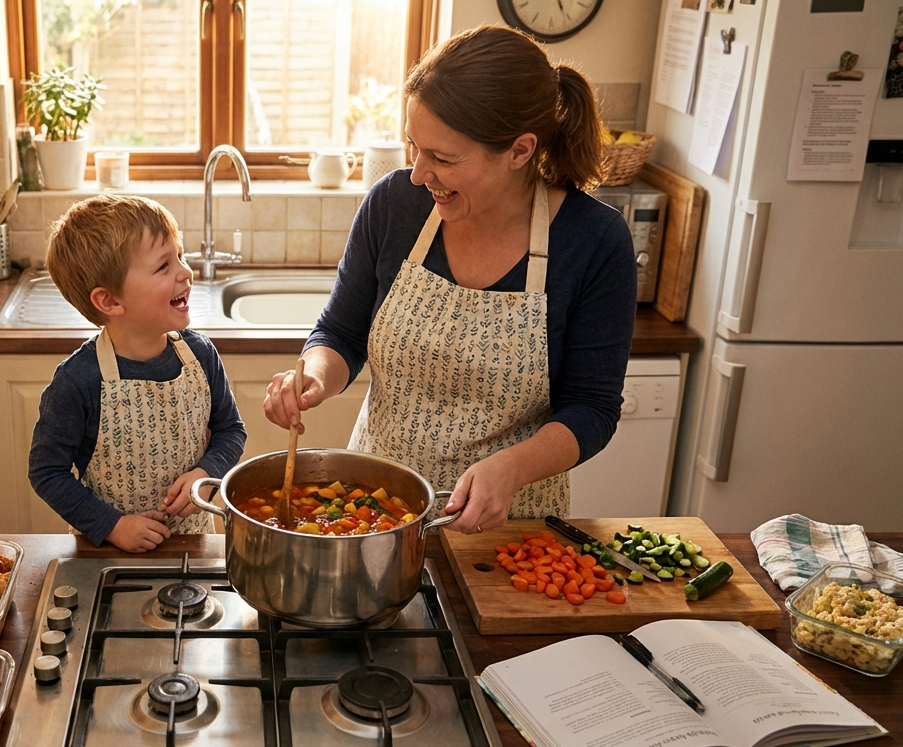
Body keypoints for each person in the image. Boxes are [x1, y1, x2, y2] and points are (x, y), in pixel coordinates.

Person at [263, 26, 636, 534]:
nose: (418, 173)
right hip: (368, 513)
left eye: (442, 158)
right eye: (414, 146)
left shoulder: (593, 239)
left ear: (520, 151)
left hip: (506, 526)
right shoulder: (394, 205)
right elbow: (342, 334)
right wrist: (314, 376)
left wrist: (512, 468)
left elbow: (592, 408)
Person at [29, 195, 247, 552]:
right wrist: (112, 525)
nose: (185, 271)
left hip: (196, 543)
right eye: (163, 266)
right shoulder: (77, 381)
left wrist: (206, 473)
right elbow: (46, 472)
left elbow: (230, 430)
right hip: (105, 554)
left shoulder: (200, 355)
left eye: (180, 255)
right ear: (110, 302)